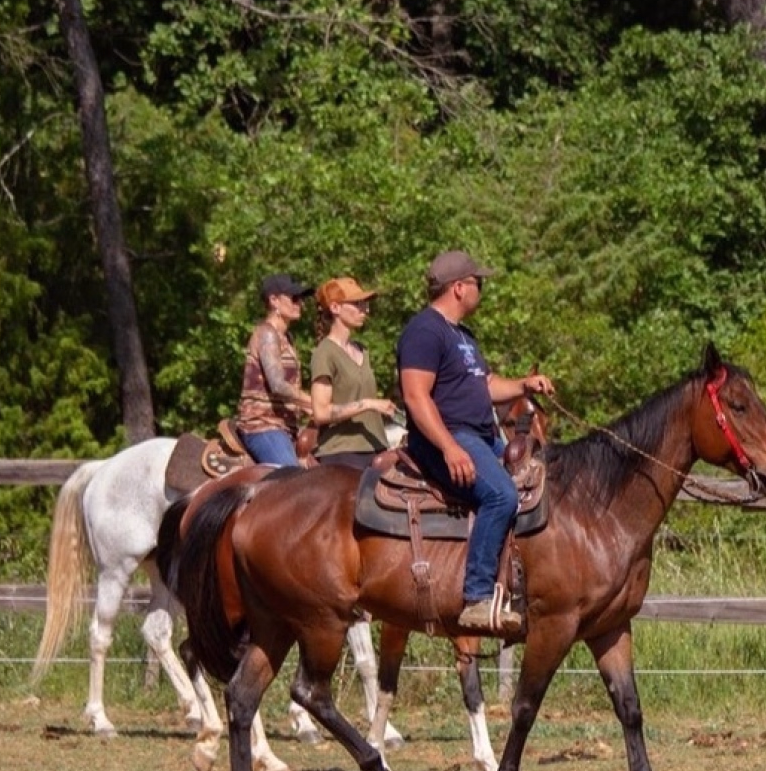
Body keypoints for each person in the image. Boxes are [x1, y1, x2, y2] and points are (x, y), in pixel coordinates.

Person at [396, 249, 554, 634]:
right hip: (447, 436)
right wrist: (449, 447)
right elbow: (416, 396)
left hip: (482, 436)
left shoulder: (462, 336)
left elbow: (484, 385)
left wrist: (522, 384)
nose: (481, 290)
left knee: (545, 471)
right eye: (478, 283)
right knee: (501, 495)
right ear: (459, 288)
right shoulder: (424, 331)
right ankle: (478, 596)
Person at [309, 276, 397, 470]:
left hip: (377, 446)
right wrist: (368, 404)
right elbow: (321, 412)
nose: (365, 310)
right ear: (335, 308)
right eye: (357, 304)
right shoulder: (325, 353)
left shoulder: (363, 350)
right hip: (343, 452)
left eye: (365, 304)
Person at [237, 273, 314, 466]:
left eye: (301, 299)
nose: (300, 304)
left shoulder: (287, 338)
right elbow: (278, 385)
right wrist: (314, 403)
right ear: (274, 300)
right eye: (294, 298)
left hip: (285, 426)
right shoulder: (267, 334)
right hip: (262, 426)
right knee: (294, 481)